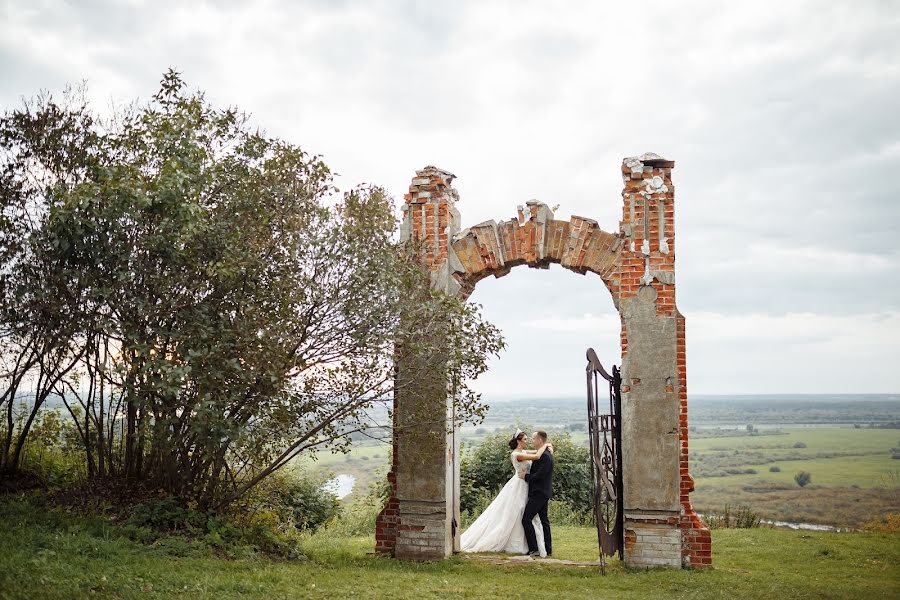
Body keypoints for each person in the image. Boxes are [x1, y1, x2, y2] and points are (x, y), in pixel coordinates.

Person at [459, 429, 553, 556]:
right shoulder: (517, 455)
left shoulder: (523, 451)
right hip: (520, 484)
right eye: (525, 439)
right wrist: (546, 445)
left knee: (525, 515)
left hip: (528, 486)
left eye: (529, 438)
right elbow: (536, 456)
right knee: (516, 513)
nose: (528, 441)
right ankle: (529, 546)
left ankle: (535, 547)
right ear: (519, 441)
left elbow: (538, 452)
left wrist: (547, 445)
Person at [518, 430, 553, 557]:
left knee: (526, 519)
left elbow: (540, 475)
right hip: (542, 492)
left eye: (533, 439)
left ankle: (534, 549)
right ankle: (547, 550)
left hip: (539, 493)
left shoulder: (545, 456)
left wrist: (525, 476)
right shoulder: (544, 453)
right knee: (544, 520)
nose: (532, 441)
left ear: (539, 440)